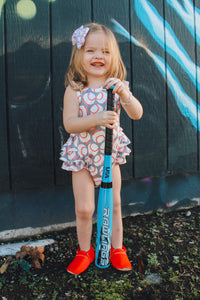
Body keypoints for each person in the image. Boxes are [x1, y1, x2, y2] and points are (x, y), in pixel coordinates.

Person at [60, 23, 143, 275]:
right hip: (82, 156)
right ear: (79, 55)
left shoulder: (116, 87)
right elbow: (70, 124)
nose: (98, 56)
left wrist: (125, 94)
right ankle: (85, 250)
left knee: (114, 205)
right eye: (90, 50)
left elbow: (137, 114)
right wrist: (96, 119)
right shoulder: (75, 89)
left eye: (105, 52)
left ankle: (117, 248)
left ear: (113, 57)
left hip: (109, 156)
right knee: (84, 208)